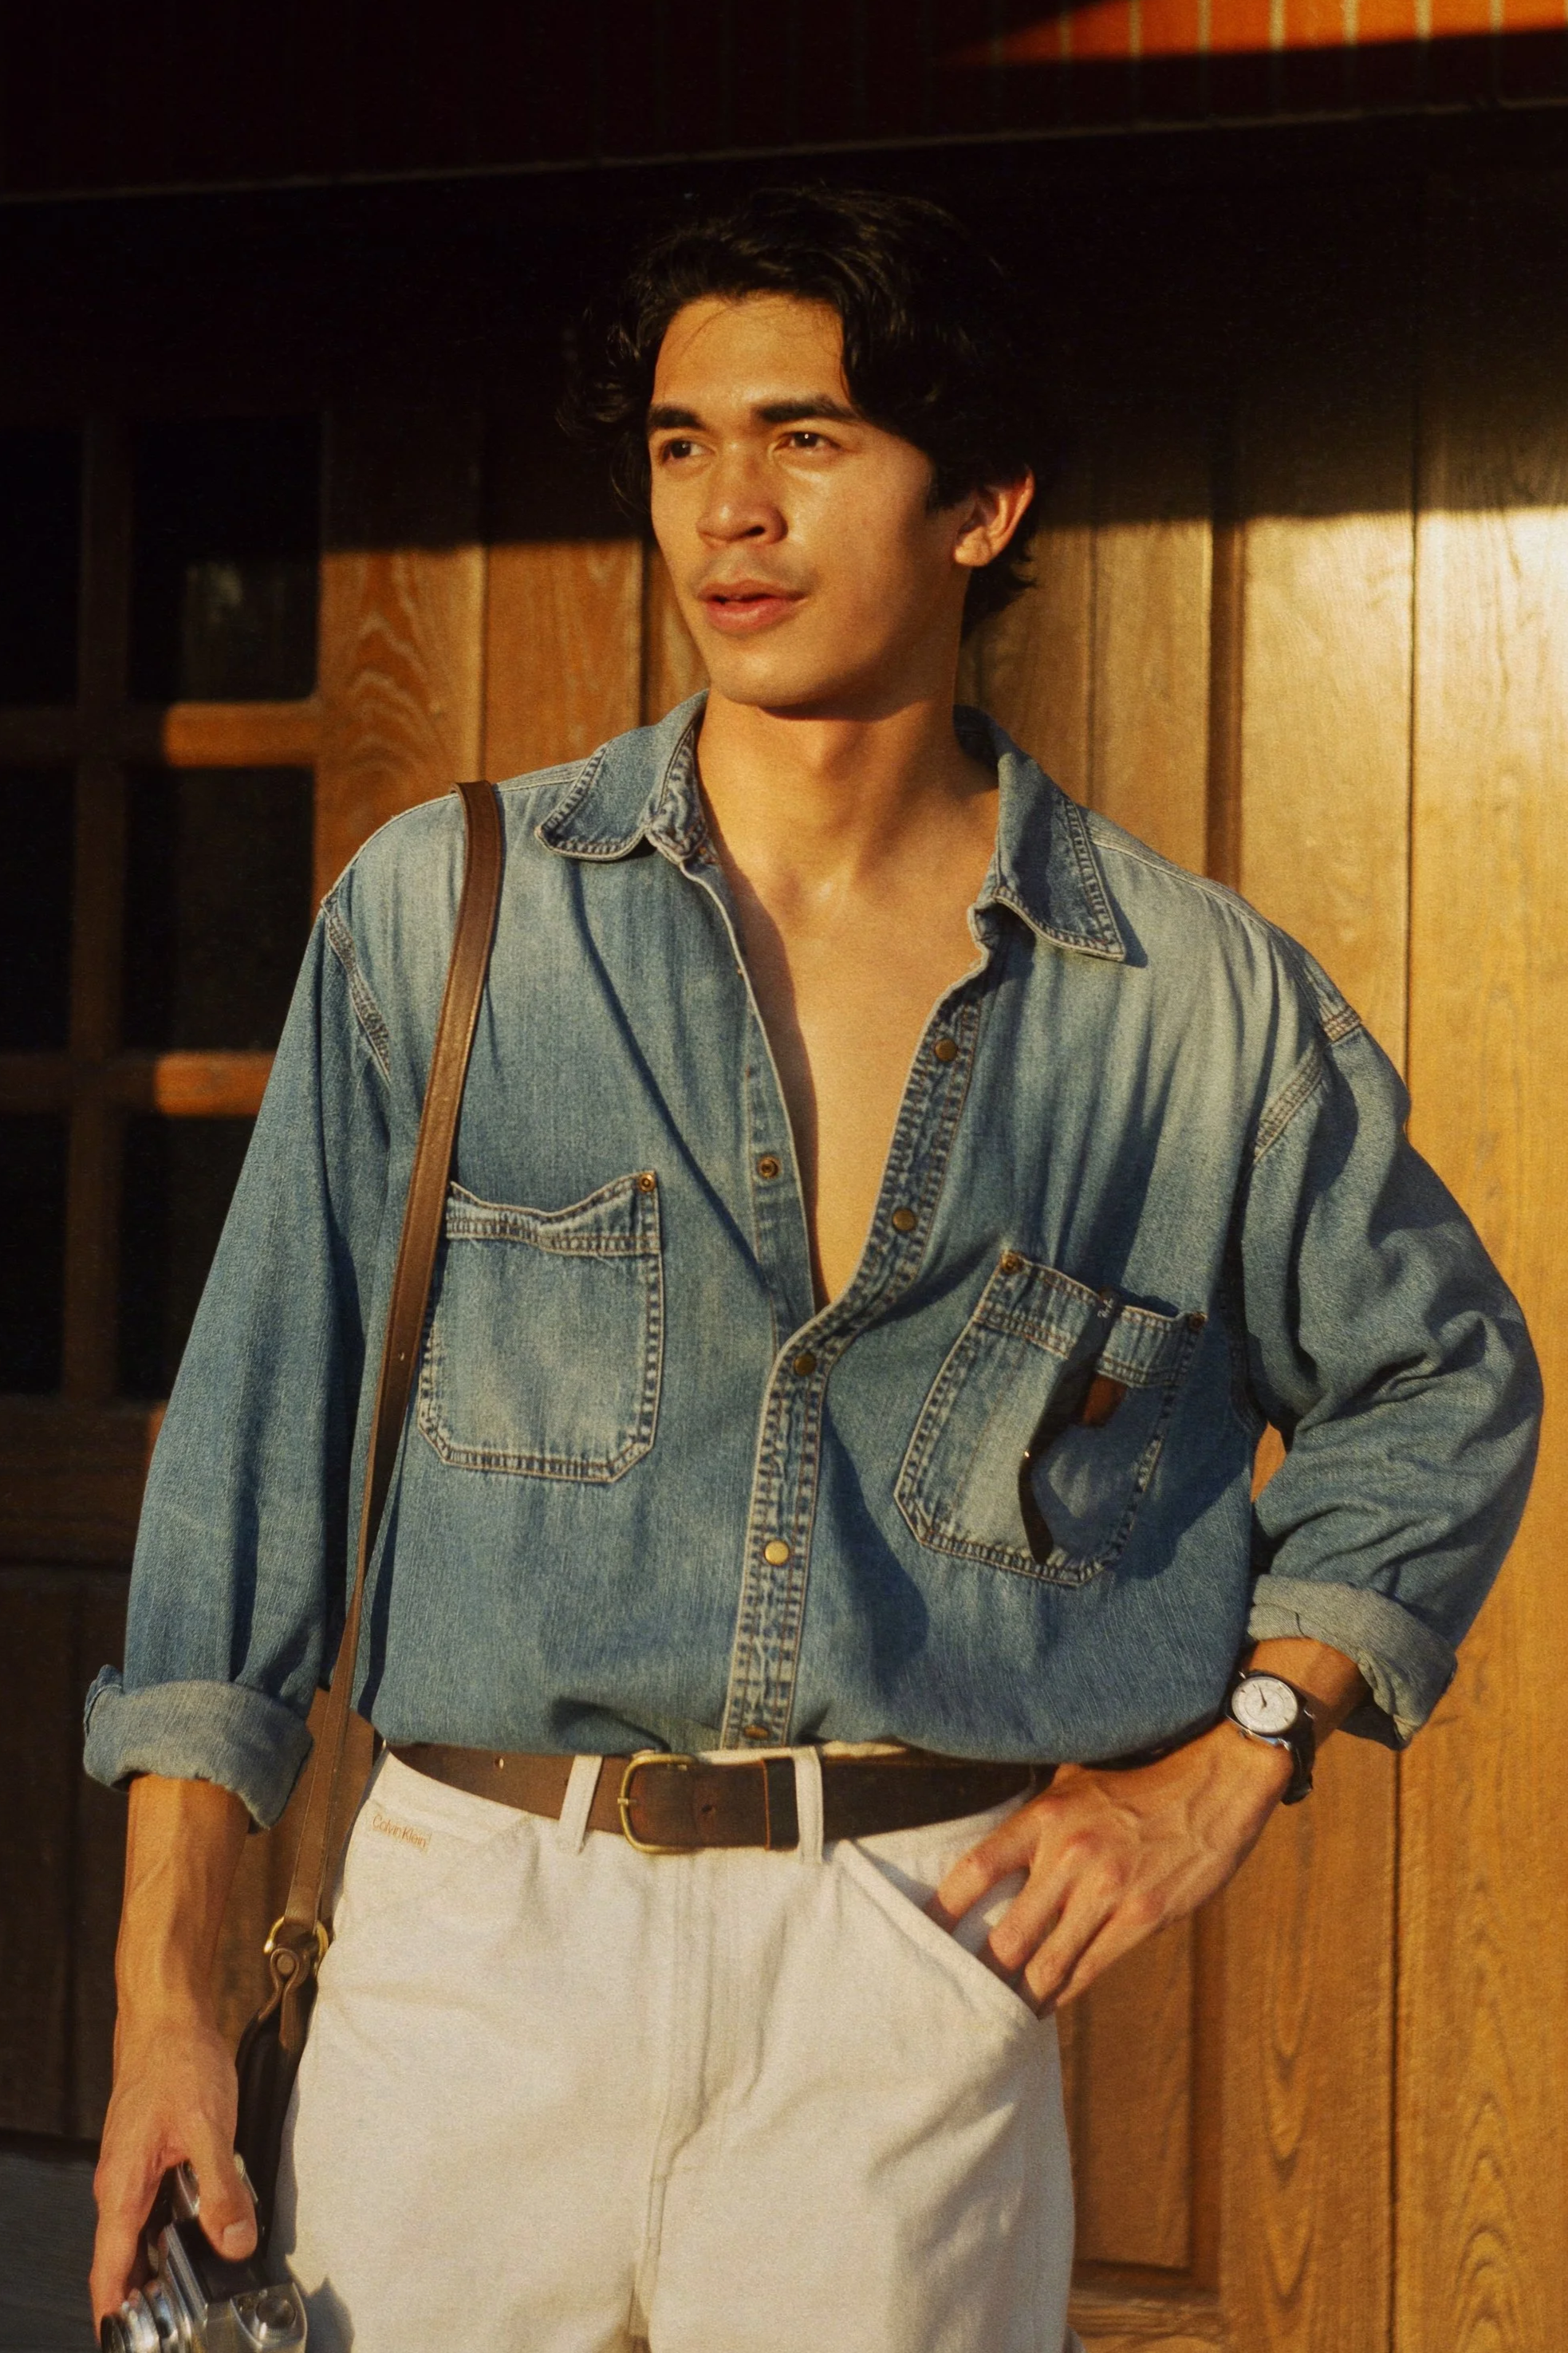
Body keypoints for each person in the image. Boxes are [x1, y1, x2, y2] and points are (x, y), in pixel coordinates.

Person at [86, 185, 1540, 2353]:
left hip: (905, 1975)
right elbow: (244, 1492)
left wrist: (1230, 1760)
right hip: (473, 1944)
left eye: (809, 439)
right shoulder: (452, 914)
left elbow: (1438, 1381)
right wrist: (167, 2007)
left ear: (981, 499)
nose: (728, 514)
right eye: (679, 445)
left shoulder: (1186, 1007)